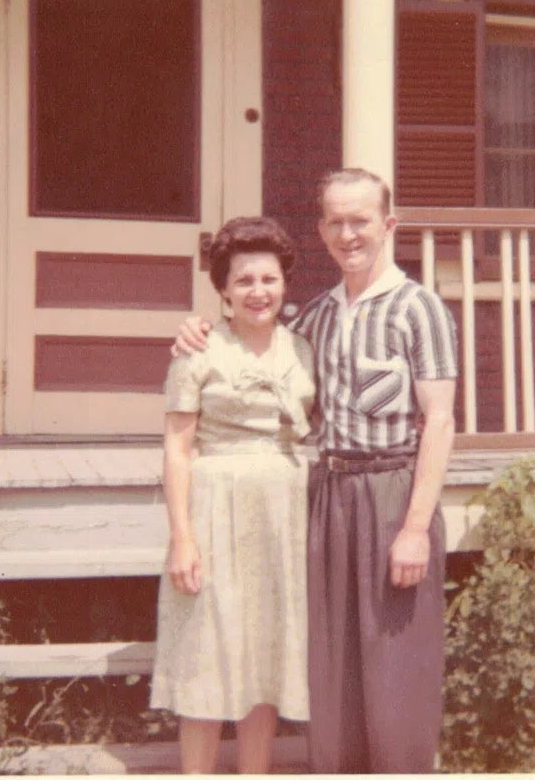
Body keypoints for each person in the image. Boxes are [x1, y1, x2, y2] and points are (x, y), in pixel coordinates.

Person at [175, 168, 458, 773]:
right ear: (322, 229)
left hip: (392, 492)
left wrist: (415, 526)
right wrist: (197, 328)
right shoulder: (315, 320)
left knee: (394, 665)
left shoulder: (419, 308)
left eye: (361, 220)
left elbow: (439, 421)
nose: (349, 234)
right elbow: (255, 335)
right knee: (332, 671)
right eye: (336, 221)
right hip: (328, 494)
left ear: (388, 225)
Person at [150, 216, 315, 774]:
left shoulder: (303, 349)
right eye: (244, 281)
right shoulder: (196, 350)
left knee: (263, 656)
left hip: (281, 515)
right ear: (223, 290)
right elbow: (177, 447)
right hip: (214, 508)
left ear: (284, 284)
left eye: (268, 279)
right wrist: (182, 538)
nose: (258, 292)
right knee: (207, 652)